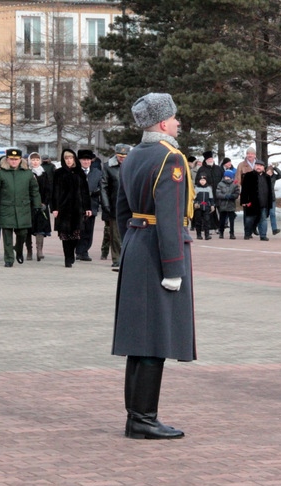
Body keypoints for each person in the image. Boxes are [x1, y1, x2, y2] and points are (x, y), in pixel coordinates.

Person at [113, 92, 196, 440]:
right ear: (163, 123)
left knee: (139, 338)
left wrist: (131, 243)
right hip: (158, 251)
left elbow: (121, 209)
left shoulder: (133, 155)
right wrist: (174, 268)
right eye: (174, 118)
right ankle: (143, 419)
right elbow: (170, 217)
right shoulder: (170, 157)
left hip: (136, 245)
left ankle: (138, 416)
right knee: (155, 338)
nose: (177, 123)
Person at [0, 148, 41, 267]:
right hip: (6, 208)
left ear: (20, 160)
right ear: (7, 159)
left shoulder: (27, 173)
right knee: (7, 235)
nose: (14, 161)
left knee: (22, 233)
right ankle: (9, 259)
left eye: (16, 159)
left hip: (23, 208)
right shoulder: (0, 173)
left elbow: (34, 190)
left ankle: (18, 249)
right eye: (11, 159)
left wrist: (37, 205)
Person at [51, 148, 91, 268]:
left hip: (77, 208)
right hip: (63, 208)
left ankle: (72, 253)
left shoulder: (80, 173)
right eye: (66, 158)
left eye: (70, 158)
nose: (68, 160)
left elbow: (85, 191)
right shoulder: (59, 173)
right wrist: (54, 208)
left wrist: (87, 207)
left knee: (76, 235)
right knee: (65, 235)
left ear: (74, 159)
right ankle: (67, 258)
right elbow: (55, 191)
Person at [101, 144, 130, 270]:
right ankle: (117, 258)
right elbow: (103, 187)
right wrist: (106, 204)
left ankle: (128, 258)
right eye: (119, 156)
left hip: (130, 205)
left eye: (124, 156)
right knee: (115, 235)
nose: (122, 158)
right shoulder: (108, 167)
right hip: (114, 204)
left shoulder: (133, 166)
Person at [75, 149, 102, 261]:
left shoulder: (97, 172)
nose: (86, 162)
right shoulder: (75, 172)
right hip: (77, 206)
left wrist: (96, 192)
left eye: (88, 160)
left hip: (92, 205)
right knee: (78, 229)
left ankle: (84, 251)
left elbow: (102, 187)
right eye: (83, 160)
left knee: (88, 230)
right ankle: (78, 250)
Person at [26, 152, 53, 261]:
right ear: (29, 161)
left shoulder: (44, 173)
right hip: (29, 205)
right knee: (27, 229)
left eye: (37, 160)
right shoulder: (27, 173)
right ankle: (29, 251)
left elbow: (48, 189)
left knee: (40, 228)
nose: (35, 162)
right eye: (33, 160)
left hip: (41, 205)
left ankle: (39, 250)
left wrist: (45, 202)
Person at [240, 159, 273, 241]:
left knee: (263, 219)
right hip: (252, 203)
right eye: (257, 165)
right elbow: (244, 190)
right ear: (254, 166)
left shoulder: (267, 177)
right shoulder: (248, 175)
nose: (258, 167)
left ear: (263, 167)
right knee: (249, 219)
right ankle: (247, 234)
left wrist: (270, 203)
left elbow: (270, 191)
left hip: (264, 202)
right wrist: (244, 201)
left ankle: (263, 235)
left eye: (260, 166)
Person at [216, 169, 240, 239]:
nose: (227, 178)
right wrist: (225, 196)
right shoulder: (220, 184)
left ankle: (232, 233)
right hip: (222, 204)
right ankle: (221, 232)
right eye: (226, 177)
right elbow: (218, 194)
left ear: (231, 177)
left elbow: (237, 193)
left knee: (232, 220)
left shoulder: (234, 184)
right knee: (222, 220)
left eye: (228, 177)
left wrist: (232, 196)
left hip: (231, 205)